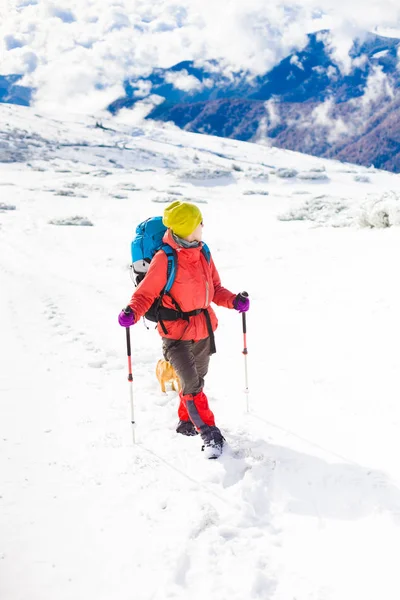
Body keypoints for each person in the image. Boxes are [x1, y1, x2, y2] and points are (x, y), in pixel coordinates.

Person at [118, 200, 249, 456]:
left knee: (197, 379)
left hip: (203, 329)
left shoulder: (203, 253)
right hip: (175, 333)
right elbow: (145, 294)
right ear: (187, 227)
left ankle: (186, 421)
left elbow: (215, 289)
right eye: (199, 222)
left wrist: (234, 301)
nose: (202, 226)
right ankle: (209, 433)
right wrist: (132, 313)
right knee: (191, 382)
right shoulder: (164, 259)